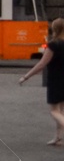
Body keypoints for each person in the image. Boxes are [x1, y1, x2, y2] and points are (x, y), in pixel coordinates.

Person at [18, 18, 64, 146]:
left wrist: (26, 77)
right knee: (60, 110)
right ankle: (58, 138)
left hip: (56, 80)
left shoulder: (53, 45)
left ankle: (59, 137)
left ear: (54, 29)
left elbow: (42, 64)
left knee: (54, 111)